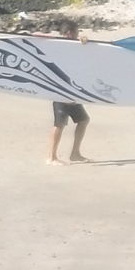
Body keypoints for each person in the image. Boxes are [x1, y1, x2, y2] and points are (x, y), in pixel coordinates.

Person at [40, 17, 92, 164]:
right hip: (60, 91)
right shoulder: (56, 45)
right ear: (69, 33)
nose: (77, 35)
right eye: (76, 33)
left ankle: (75, 154)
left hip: (72, 92)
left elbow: (85, 52)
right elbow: (36, 36)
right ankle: (51, 157)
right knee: (59, 124)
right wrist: (52, 38)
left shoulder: (75, 45)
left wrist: (83, 41)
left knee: (83, 120)